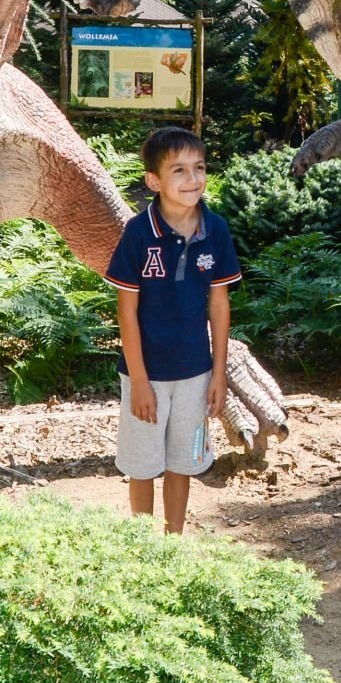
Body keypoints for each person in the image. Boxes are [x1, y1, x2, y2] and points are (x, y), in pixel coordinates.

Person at [106, 125, 243, 534]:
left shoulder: (215, 229)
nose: (193, 179)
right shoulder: (137, 233)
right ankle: (144, 548)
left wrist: (218, 373)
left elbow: (219, 304)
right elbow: (126, 313)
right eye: (179, 170)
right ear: (154, 181)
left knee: (183, 461)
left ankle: (173, 544)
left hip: (196, 372)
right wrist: (141, 381)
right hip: (144, 373)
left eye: (199, 168)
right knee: (144, 465)